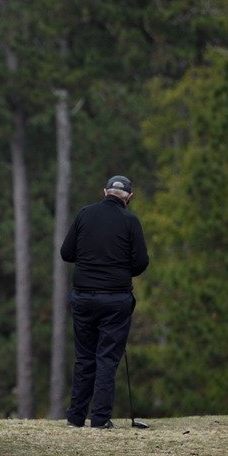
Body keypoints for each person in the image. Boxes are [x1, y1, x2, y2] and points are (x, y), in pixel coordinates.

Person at [61, 175, 149, 429]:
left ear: (105, 192)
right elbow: (141, 262)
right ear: (129, 198)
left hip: (84, 297)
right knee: (107, 358)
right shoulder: (131, 221)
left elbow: (66, 253)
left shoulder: (85, 214)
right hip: (115, 299)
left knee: (84, 357)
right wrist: (119, 271)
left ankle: (76, 417)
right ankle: (100, 419)